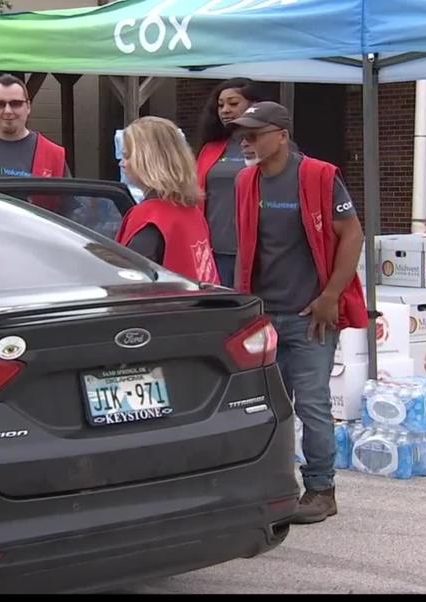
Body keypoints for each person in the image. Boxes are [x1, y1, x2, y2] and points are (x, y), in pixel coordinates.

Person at [230, 101, 366, 525]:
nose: (246, 142)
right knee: (267, 406)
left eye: (255, 134)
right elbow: (245, 247)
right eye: (243, 135)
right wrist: (244, 306)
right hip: (264, 316)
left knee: (312, 404)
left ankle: (321, 489)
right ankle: (273, 487)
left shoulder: (318, 176)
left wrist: (330, 296)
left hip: (310, 316)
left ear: (282, 136)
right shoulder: (245, 181)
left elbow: (352, 234)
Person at [116, 117, 217, 284]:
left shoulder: (149, 216)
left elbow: (133, 280)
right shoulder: (192, 211)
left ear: (147, 160)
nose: (122, 163)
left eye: (127, 156)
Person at [195, 78, 266, 284]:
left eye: (233, 103)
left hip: (258, 250)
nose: (225, 110)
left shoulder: (269, 146)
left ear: (254, 105)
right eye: (220, 105)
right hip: (214, 250)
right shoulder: (210, 149)